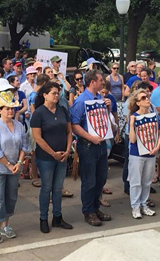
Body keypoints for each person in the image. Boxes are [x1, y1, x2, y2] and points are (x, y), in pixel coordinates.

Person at [0, 92, 30, 246]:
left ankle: (6, 225)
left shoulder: (19, 125)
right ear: (0, 110)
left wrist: (19, 161)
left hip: (14, 166)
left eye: (12, 108)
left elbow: (24, 145)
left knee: (11, 196)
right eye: (7, 108)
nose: (10, 111)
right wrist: (10, 165)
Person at [70, 70, 112, 227]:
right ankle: (88, 211)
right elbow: (74, 124)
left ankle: (95, 207)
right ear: (92, 82)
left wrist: (107, 108)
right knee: (89, 180)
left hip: (100, 144)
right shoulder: (81, 101)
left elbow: (104, 121)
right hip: (88, 145)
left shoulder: (99, 99)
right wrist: (90, 137)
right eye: (100, 80)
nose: (103, 82)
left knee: (101, 178)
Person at [31, 82, 73, 233]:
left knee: (58, 188)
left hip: (62, 155)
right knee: (46, 188)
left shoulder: (62, 110)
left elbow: (69, 131)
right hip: (46, 158)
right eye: (54, 93)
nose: (57, 96)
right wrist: (52, 153)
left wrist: (67, 150)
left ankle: (57, 216)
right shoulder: (39, 113)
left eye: (58, 93)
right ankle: (43, 218)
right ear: (45, 95)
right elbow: (38, 137)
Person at [127, 89, 160, 219]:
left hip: (151, 153)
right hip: (137, 154)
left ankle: (144, 203)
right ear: (137, 102)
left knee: (147, 181)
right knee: (136, 181)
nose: (147, 99)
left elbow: (159, 133)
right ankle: (135, 206)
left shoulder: (153, 115)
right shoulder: (134, 116)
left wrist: (157, 147)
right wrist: (131, 125)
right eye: (143, 98)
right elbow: (132, 140)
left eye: (147, 97)